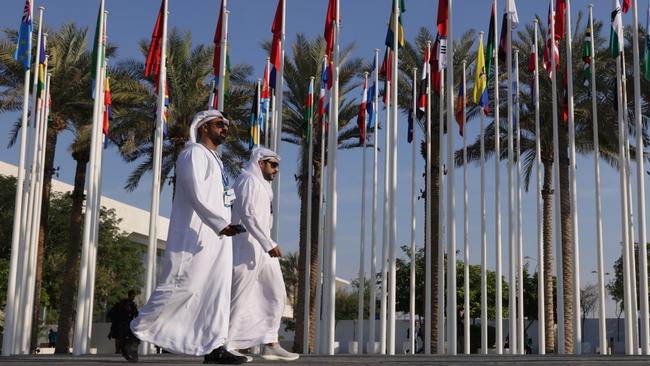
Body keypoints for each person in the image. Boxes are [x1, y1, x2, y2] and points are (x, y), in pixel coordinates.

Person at [127, 110, 247, 365]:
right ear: (204, 128)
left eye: (226, 125)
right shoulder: (193, 154)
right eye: (219, 125)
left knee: (217, 290)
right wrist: (219, 223)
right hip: (196, 233)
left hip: (219, 236)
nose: (224, 129)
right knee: (182, 285)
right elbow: (196, 192)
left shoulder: (216, 159)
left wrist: (228, 225)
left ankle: (214, 346)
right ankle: (135, 329)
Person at [226, 147, 298, 362]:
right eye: (273, 165)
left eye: (277, 166)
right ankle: (227, 343)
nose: (276, 170)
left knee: (277, 293)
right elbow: (248, 214)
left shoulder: (262, 185)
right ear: (260, 163)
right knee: (239, 296)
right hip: (245, 246)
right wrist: (268, 242)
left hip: (263, 248)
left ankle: (270, 342)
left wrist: (266, 243)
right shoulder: (247, 180)